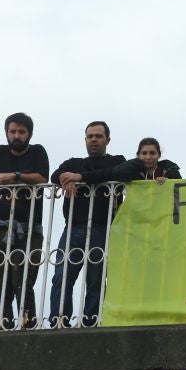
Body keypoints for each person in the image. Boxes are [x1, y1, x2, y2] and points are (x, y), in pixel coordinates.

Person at [50, 121, 126, 328]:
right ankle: (59, 321)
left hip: (103, 228)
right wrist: (67, 178)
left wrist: (81, 177)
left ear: (107, 140)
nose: (93, 140)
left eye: (98, 136)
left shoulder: (117, 161)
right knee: (61, 276)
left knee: (96, 280)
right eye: (89, 136)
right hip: (73, 227)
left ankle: (90, 322)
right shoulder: (74, 162)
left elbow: (117, 173)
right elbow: (56, 174)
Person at [0, 112, 49, 329]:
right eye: (13, 131)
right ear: (7, 133)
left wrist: (16, 176)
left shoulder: (38, 151)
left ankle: (28, 325)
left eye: (21, 131)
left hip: (29, 226)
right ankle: (4, 324)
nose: (16, 136)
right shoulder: (0, 152)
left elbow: (42, 178)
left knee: (24, 279)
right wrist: (2, 177)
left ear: (29, 134)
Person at [87, 137, 181, 184]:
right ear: (138, 155)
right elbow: (117, 173)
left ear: (159, 155)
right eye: (144, 153)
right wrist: (137, 162)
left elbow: (181, 193)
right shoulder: (133, 171)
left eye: (152, 153)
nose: (148, 157)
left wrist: (169, 183)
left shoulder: (171, 171)